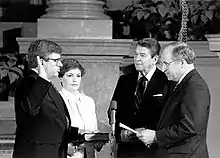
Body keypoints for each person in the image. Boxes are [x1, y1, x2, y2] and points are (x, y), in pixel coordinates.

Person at [137, 41, 211, 158]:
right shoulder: (179, 84)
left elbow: (189, 126)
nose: (163, 69)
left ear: (181, 63)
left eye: (166, 64)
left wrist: (156, 136)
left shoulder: (195, 87)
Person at [13, 39, 79, 158]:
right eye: (55, 60)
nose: (60, 64)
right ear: (41, 61)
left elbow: (53, 121)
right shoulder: (28, 82)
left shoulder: (46, 84)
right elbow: (30, 110)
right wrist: (42, 79)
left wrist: (81, 136)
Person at [108, 38, 170, 158]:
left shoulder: (166, 81)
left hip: (153, 151)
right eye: (136, 54)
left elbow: (168, 117)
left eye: (142, 55)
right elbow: (113, 111)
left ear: (155, 59)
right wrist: (120, 133)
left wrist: (150, 132)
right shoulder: (125, 80)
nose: (137, 59)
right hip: (126, 151)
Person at [59, 58, 104, 158]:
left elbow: (93, 129)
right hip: (68, 153)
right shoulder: (57, 100)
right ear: (61, 78)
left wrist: (99, 139)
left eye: (78, 76)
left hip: (89, 153)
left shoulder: (89, 101)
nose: (75, 80)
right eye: (70, 75)